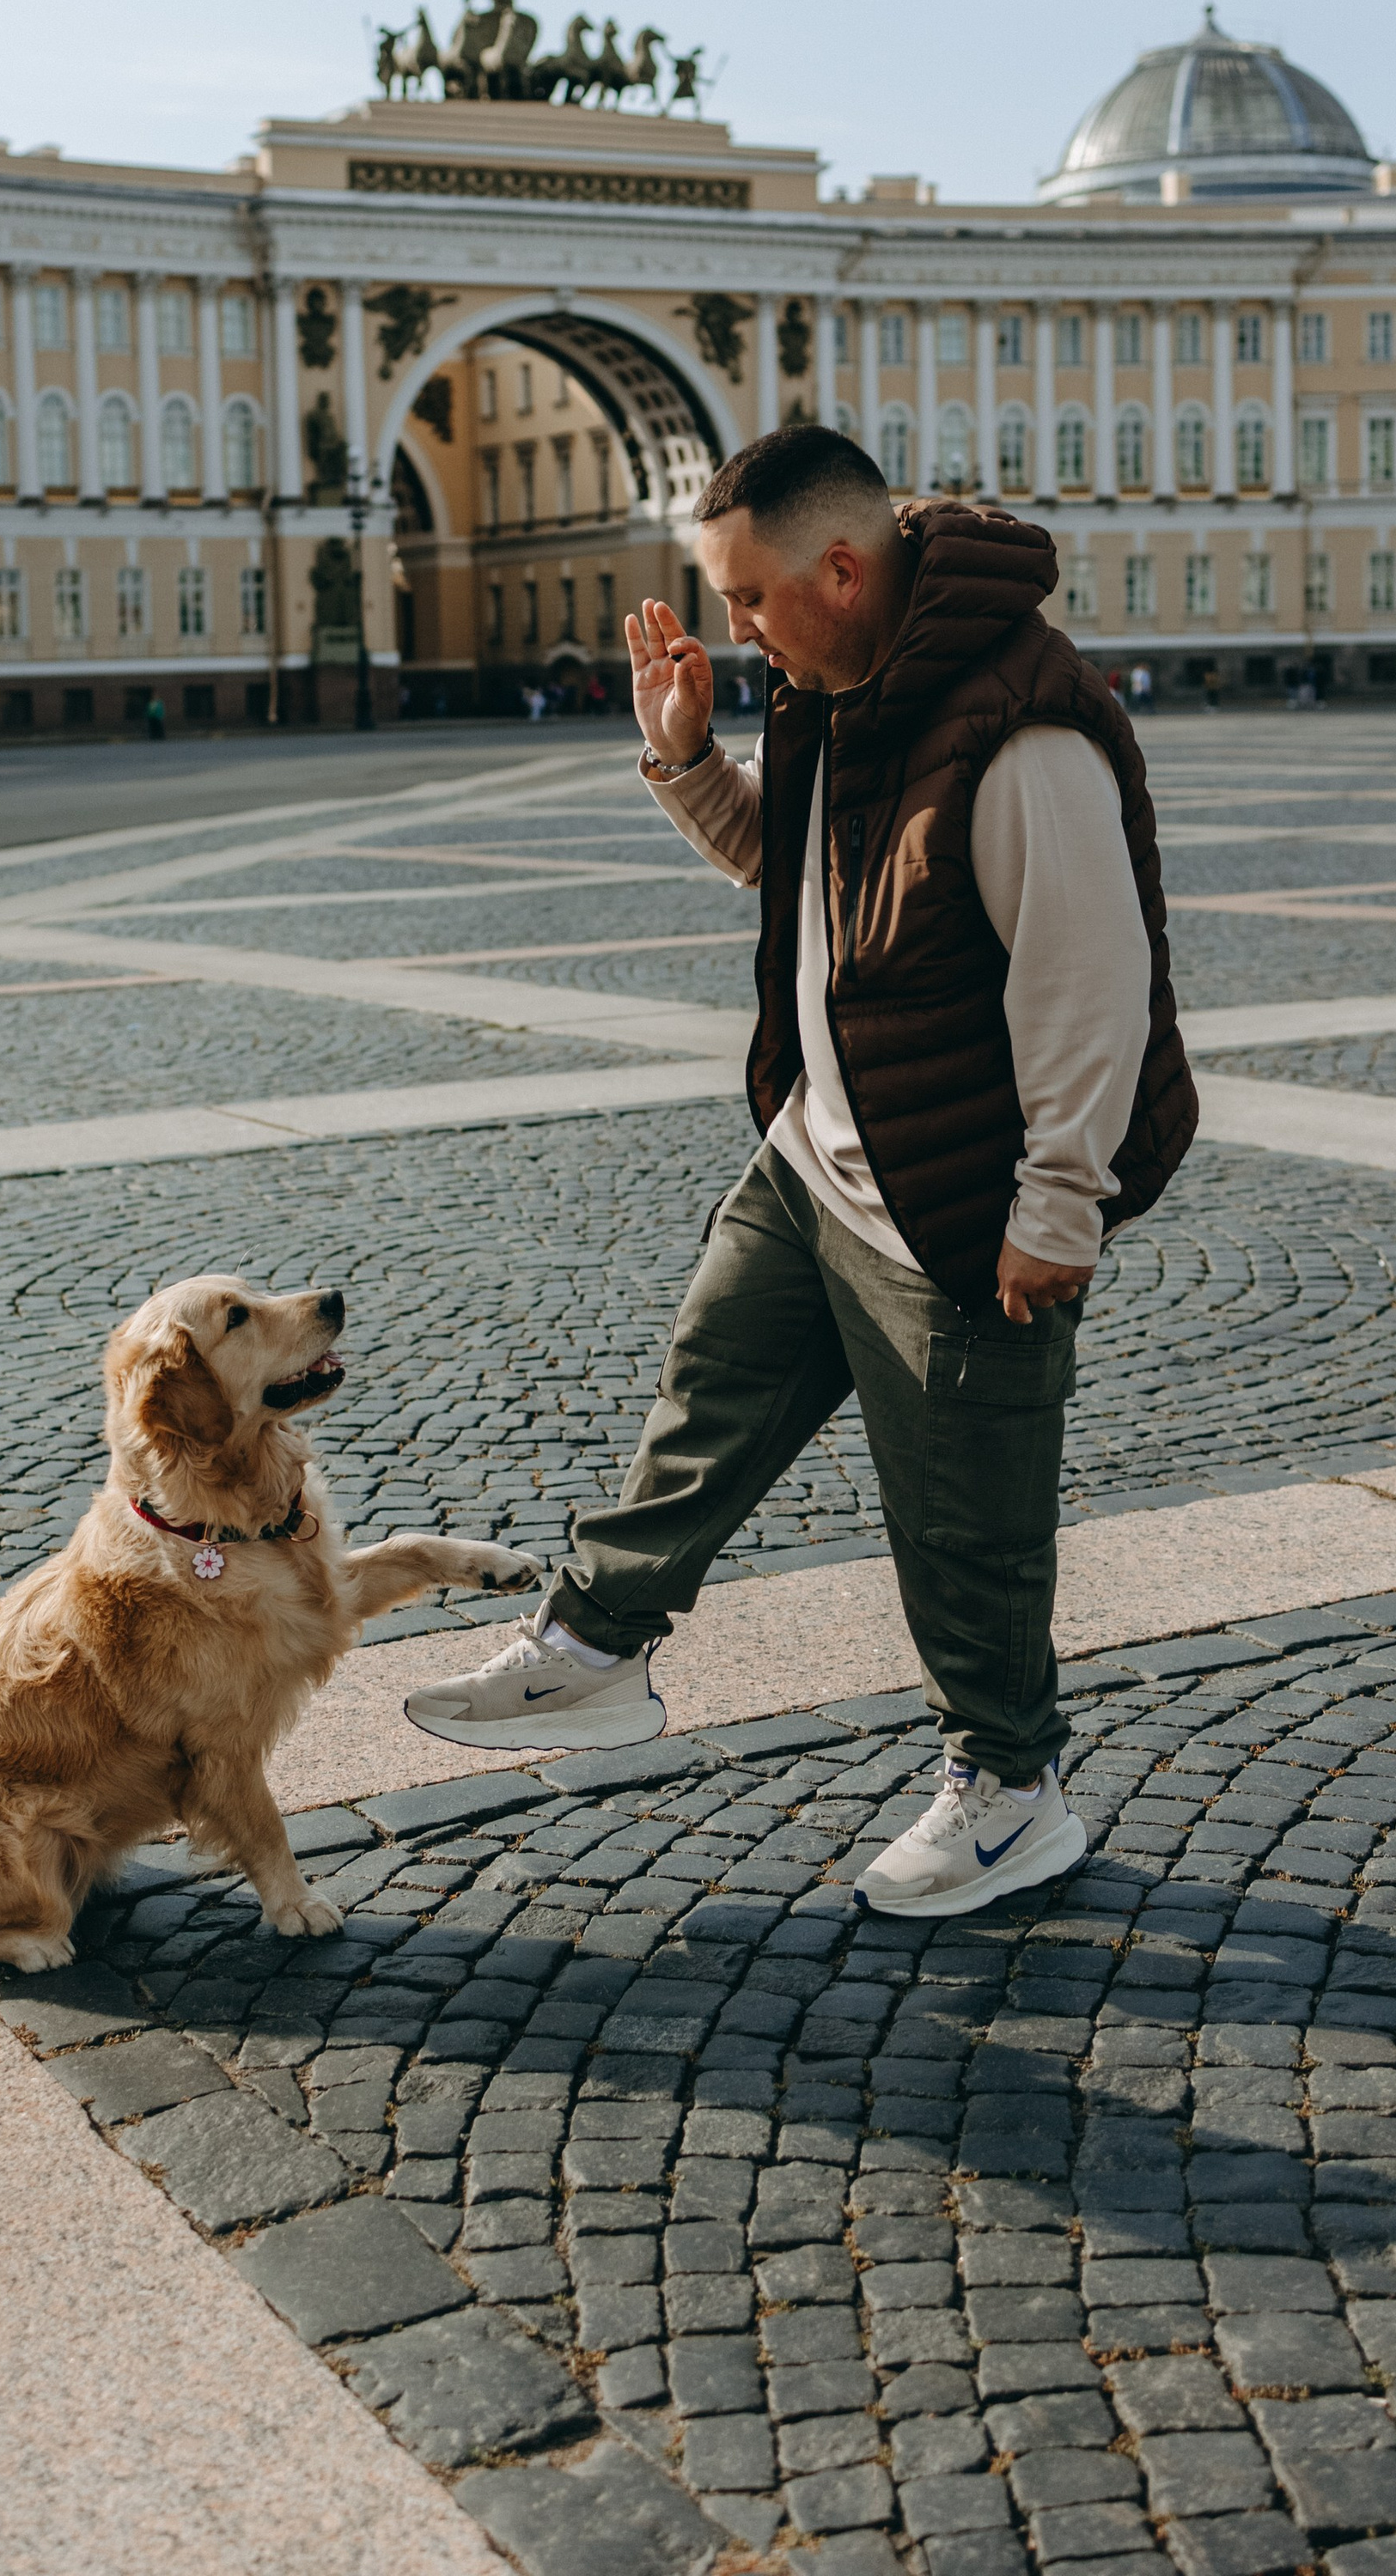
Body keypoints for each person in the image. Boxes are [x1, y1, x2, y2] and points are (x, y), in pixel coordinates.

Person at [405, 426, 1197, 1920]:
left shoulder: (1021, 728)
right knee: (706, 1399)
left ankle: (1014, 1789)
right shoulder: (844, 685)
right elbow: (800, 866)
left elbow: (1093, 983)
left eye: (753, 598)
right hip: (823, 1156)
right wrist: (689, 753)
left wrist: (1060, 1206)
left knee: (967, 1528)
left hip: (959, 1199)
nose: (741, 628)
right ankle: (596, 1650)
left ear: (845, 567)